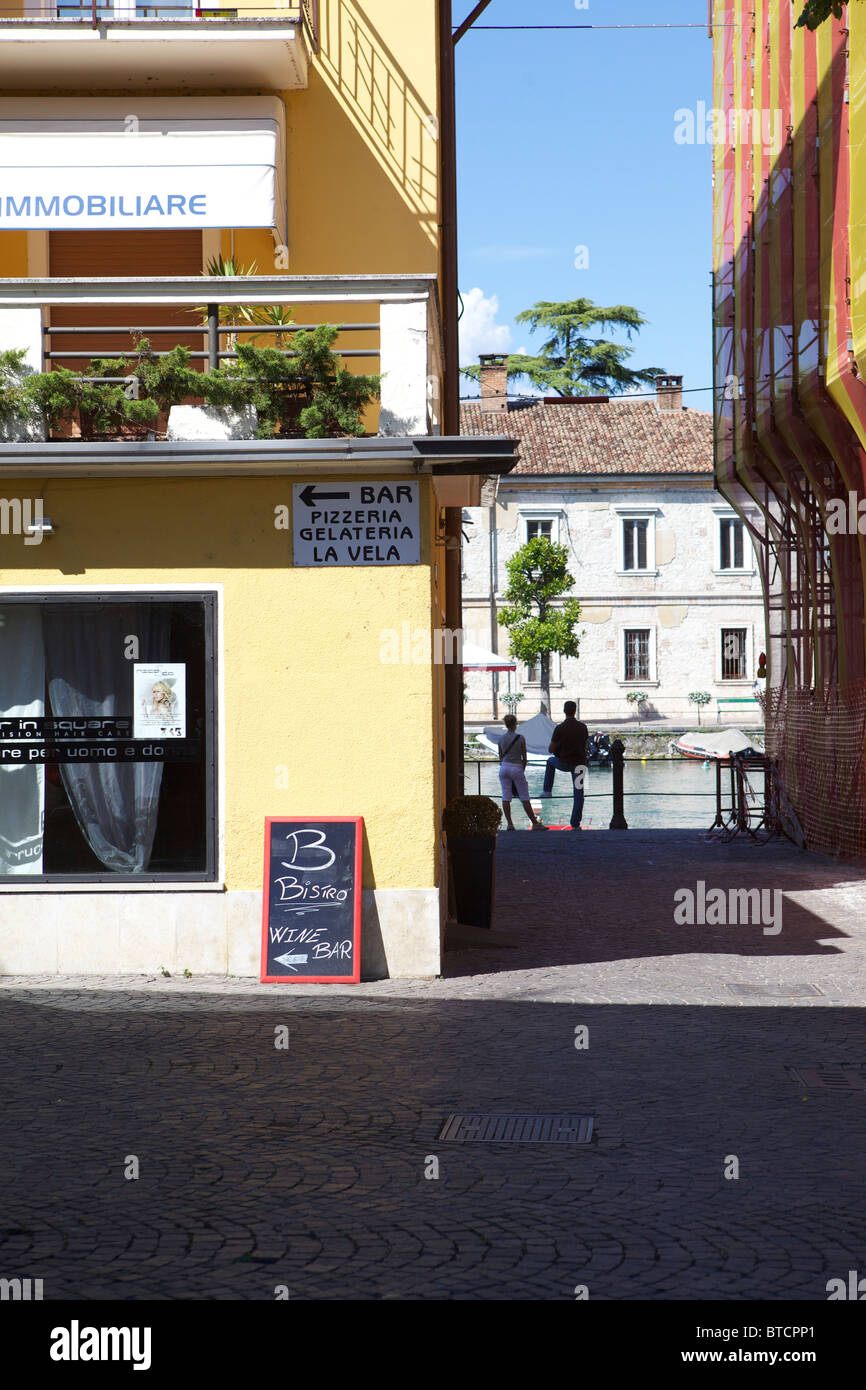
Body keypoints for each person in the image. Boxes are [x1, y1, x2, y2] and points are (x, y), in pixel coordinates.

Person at [541, 700, 589, 830]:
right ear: (575, 711)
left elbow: (551, 750)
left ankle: (547, 791)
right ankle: (575, 824)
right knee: (579, 794)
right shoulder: (583, 727)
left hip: (564, 763)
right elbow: (585, 746)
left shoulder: (560, 728)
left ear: (564, 711)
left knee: (550, 761)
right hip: (579, 765)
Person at [497, 715, 548, 831]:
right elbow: (524, 757)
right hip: (517, 768)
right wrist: (521, 770)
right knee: (524, 796)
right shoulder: (520, 738)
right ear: (516, 724)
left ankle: (510, 824)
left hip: (504, 768)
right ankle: (535, 823)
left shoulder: (501, 739)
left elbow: (501, 757)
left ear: (505, 724)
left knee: (506, 797)